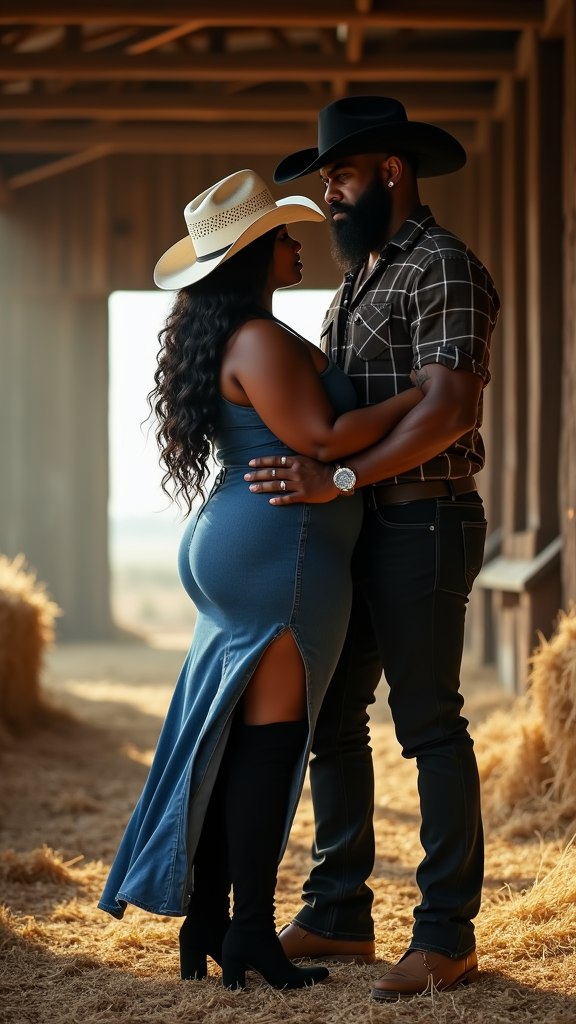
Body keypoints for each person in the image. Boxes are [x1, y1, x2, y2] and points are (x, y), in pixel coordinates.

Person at [97, 169, 424, 992]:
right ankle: (247, 931)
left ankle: (211, 919)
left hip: (253, 543)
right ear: (252, 255)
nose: (296, 243)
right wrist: (422, 396)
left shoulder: (245, 334)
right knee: (269, 752)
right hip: (283, 550)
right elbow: (324, 436)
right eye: (281, 236)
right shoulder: (258, 339)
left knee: (238, 744)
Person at [245, 97, 500, 1000]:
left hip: (424, 518)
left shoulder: (444, 267)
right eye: (327, 180)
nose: (330, 195)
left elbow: (450, 408)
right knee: (333, 715)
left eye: (341, 177)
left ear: (392, 172)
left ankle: (446, 935)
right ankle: (341, 909)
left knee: (428, 722)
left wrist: (342, 478)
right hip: (361, 522)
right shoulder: (361, 280)